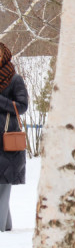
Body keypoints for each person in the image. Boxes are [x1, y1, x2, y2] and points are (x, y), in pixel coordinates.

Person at [0, 42, 28, 232]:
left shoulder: (14, 79)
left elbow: (22, 106)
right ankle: (6, 226)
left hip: (6, 140)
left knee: (3, 185)